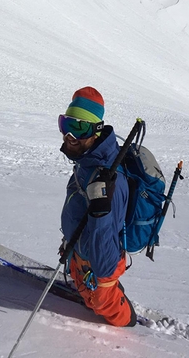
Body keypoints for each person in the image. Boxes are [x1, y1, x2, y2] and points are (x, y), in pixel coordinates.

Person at [59, 86, 137, 327]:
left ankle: (127, 315)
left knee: (101, 304)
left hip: (99, 264)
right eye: (65, 125)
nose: (69, 136)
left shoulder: (112, 181)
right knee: (82, 284)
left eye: (78, 127)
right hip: (79, 253)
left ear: (96, 130)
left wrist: (101, 212)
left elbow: (104, 265)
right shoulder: (86, 161)